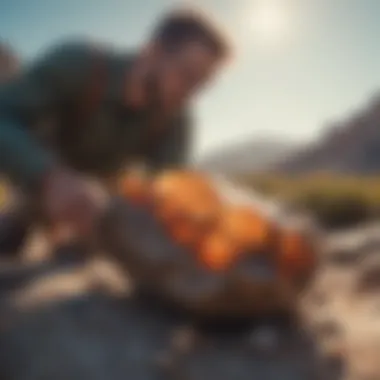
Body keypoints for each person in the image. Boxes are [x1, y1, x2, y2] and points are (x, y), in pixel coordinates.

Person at [0, 8, 231, 254]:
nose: (191, 93)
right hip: (36, 184)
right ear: (152, 52)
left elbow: (168, 193)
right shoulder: (78, 64)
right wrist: (50, 177)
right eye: (187, 75)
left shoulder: (176, 119)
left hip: (101, 211)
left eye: (202, 85)